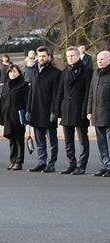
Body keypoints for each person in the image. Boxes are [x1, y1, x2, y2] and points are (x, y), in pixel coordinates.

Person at [55, 46, 92, 175]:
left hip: (80, 109)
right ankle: (72, 164)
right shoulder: (64, 71)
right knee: (68, 140)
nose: (70, 58)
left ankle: (82, 165)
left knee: (82, 140)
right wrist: (57, 109)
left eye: (72, 56)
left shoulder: (87, 71)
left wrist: (86, 110)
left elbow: (88, 93)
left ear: (78, 56)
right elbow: (60, 91)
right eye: (68, 56)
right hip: (67, 109)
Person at [27, 46, 62, 173]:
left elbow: (57, 94)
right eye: (39, 56)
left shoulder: (56, 73)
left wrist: (55, 111)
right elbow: (31, 92)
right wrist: (28, 110)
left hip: (48, 112)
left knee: (52, 141)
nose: (41, 58)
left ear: (49, 57)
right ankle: (41, 162)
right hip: (35, 111)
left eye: (43, 56)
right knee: (39, 140)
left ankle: (51, 163)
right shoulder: (34, 72)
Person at [0, 64, 29, 170]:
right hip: (7, 116)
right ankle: (13, 160)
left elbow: (27, 102)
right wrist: (1, 117)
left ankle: (19, 162)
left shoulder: (24, 85)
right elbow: (2, 102)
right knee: (11, 139)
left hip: (18, 116)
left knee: (19, 139)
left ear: (19, 73)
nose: (12, 74)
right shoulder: (6, 85)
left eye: (15, 72)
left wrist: (27, 116)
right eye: (10, 72)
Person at [87, 50, 110, 177]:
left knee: (109, 141)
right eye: (98, 59)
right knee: (101, 142)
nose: (99, 61)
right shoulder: (95, 73)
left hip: (108, 113)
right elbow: (91, 93)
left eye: (102, 59)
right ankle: (105, 164)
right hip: (97, 114)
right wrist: (89, 110)